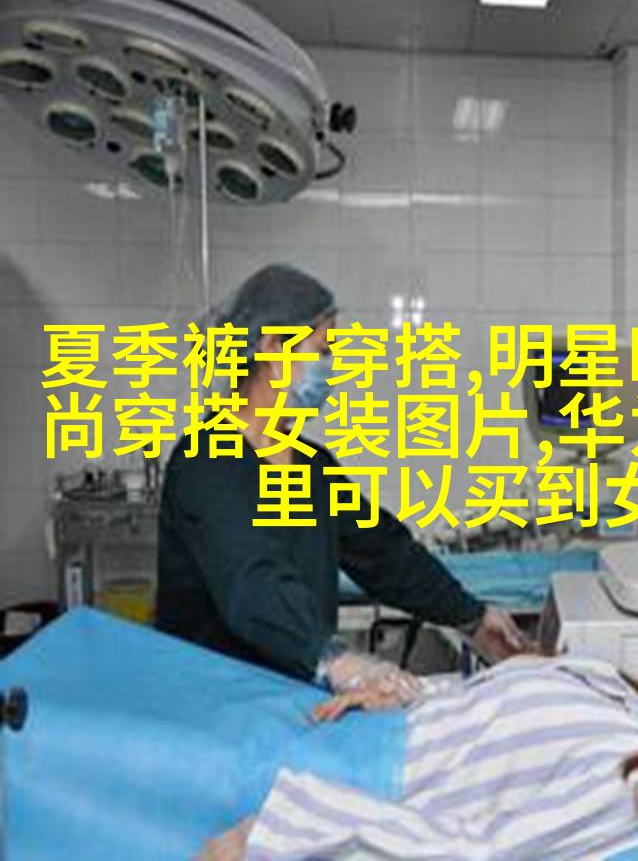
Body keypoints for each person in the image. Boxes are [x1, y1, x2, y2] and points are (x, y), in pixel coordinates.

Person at [156, 264, 525, 697]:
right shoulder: (206, 464)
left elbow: (384, 554)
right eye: (322, 349)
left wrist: (472, 617)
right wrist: (334, 660)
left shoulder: (311, 466)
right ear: (273, 348)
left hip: (292, 702)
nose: (329, 366)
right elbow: (254, 583)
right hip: (216, 705)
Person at [196, 632, 638, 860]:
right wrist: (403, 690)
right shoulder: (613, 689)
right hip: (330, 727)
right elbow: (480, 708)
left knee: (137, 743)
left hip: (318, 778)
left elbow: (483, 855)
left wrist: (288, 830)